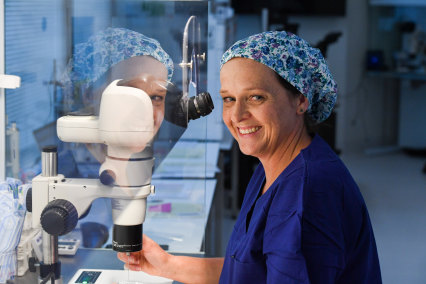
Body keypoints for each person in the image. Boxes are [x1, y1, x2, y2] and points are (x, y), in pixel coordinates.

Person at [117, 31, 382, 283]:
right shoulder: (272, 167)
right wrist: (166, 264)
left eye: (256, 97)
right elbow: (253, 270)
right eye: (229, 99)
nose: (237, 115)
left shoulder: (309, 194)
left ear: (301, 100)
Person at [62, 27, 174, 163]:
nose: (147, 112)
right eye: (133, 94)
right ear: (89, 96)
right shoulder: (70, 170)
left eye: (157, 97)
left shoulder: (142, 164)